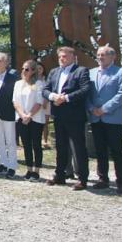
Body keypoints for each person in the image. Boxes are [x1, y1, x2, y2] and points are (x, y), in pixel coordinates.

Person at [43, 46, 91, 190]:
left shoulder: (81, 71)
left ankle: (82, 179)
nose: (62, 59)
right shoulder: (54, 72)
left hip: (75, 115)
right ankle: (60, 174)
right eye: (60, 57)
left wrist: (66, 98)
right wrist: (53, 96)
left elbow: (85, 90)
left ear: (73, 57)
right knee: (61, 146)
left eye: (64, 56)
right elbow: (45, 89)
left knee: (78, 147)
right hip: (58, 115)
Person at [86, 46, 122, 193]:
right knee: (100, 150)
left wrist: (103, 109)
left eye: (103, 55)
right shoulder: (91, 73)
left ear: (113, 57)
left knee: (117, 151)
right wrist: (92, 109)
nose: (100, 57)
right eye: (98, 55)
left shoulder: (121, 72)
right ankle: (103, 178)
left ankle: (121, 181)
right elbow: (87, 94)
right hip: (96, 118)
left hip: (113, 118)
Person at [13, 59, 45, 180]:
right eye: (22, 68)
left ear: (33, 71)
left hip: (36, 118)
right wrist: (22, 115)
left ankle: (36, 171)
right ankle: (29, 169)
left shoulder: (38, 84)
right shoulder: (18, 84)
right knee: (26, 145)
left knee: (36, 144)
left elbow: (39, 102)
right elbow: (15, 101)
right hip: (21, 118)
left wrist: (29, 115)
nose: (23, 71)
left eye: (26, 69)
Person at [36, 62, 52, 149]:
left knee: (45, 123)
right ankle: (36, 141)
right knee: (36, 123)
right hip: (35, 105)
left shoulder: (47, 80)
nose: (38, 70)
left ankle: (45, 141)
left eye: (40, 68)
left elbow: (49, 91)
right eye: (37, 68)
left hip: (46, 104)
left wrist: (45, 102)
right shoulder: (32, 80)